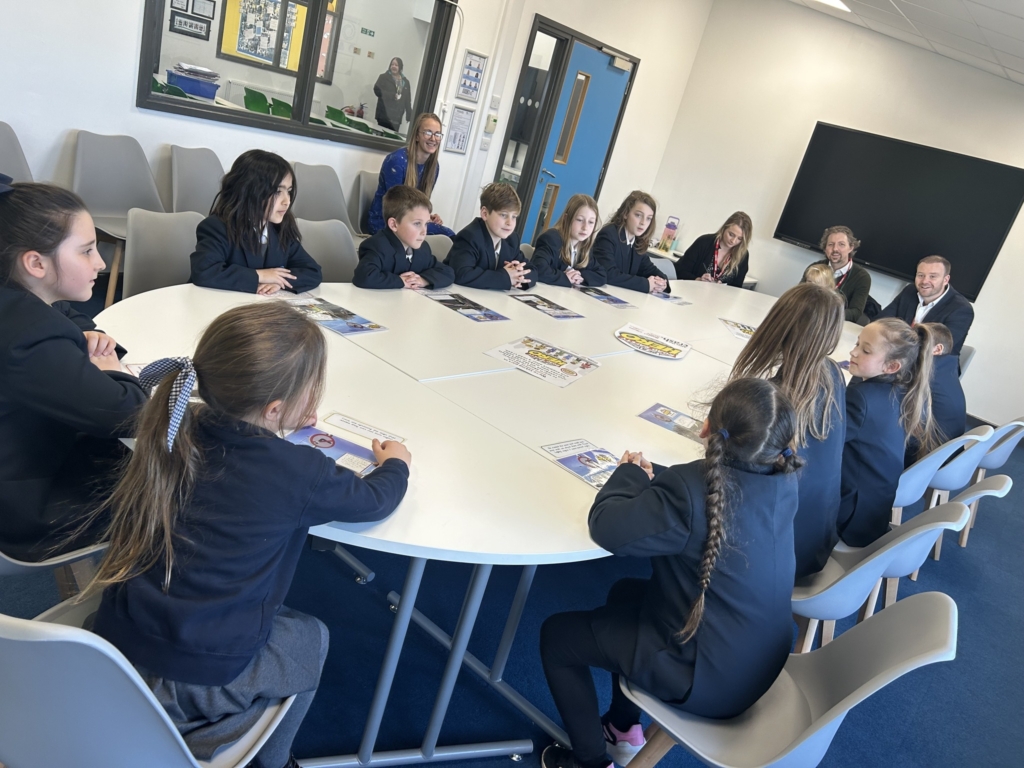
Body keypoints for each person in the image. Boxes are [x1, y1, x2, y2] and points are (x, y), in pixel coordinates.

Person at [89, 302, 412, 768]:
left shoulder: (178, 421)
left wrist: (279, 421)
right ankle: (268, 759)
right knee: (311, 637)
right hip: (200, 674)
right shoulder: (298, 471)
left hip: (114, 642)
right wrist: (396, 463)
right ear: (275, 407)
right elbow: (375, 501)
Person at [539, 378, 802, 768]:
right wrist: (655, 477)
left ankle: (589, 762)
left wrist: (628, 474)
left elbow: (609, 527)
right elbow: (705, 491)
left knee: (556, 637)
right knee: (626, 592)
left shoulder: (689, 491)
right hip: (757, 659)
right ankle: (623, 726)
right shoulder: (783, 477)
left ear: (706, 430)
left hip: (707, 680)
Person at [0, 178, 146, 561]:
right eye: (86, 251)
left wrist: (88, 333)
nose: (100, 262)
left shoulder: (19, 299)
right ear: (35, 263)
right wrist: (113, 369)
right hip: (27, 509)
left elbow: (66, 313)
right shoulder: (29, 339)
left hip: (23, 461)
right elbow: (131, 415)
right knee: (182, 476)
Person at [730, 283, 847, 578]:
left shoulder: (773, 402)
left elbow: (735, 481)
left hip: (773, 557)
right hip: (815, 538)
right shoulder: (832, 373)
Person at [837, 318, 939, 547]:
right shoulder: (905, 391)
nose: (852, 352)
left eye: (865, 350)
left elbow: (825, 443)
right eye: (856, 344)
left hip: (848, 517)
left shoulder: (862, 398)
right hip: (873, 511)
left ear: (891, 366)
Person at [190, 150, 322, 295]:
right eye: (278, 191)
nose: (287, 201)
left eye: (289, 191)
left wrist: (278, 282)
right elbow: (205, 271)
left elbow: (312, 271)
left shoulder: (281, 229)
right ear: (249, 190)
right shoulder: (216, 227)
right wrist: (262, 275)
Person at [367, 113, 454, 237]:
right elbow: (395, 209)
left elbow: (420, 204)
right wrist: (423, 220)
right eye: (428, 133)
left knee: (448, 236)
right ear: (417, 136)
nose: (433, 139)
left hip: (410, 221)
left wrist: (427, 217)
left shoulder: (434, 167)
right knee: (448, 235)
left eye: (437, 134)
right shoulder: (397, 161)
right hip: (386, 224)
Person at [354, 186, 454, 290]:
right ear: (394, 224)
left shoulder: (423, 249)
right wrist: (401, 281)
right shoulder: (377, 246)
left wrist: (423, 280)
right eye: (417, 223)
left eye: (426, 224)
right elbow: (364, 276)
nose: (424, 231)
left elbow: (447, 272)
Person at [877, 255, 974, 356]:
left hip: (932, 366)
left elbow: (935, 346)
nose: (924, 281)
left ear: (946, 279)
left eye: (932, 276)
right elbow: (881, 321)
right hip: (896, 354)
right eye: (920, 275)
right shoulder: (910, 291)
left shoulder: (961, 309)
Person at [446, 182, 535, 290]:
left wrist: (518, 274)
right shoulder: (470, 236)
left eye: (514, 217)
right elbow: (461, 274)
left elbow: (532, 270)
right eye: (503, 215)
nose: (510, 223)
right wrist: (506, 277)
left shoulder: (512, 239)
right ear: (485, 214)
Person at [906, 322, 966, 465]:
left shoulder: (927, 376)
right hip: (948, 453)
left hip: (929, 459)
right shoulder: (947, 370)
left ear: (937, 349)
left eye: (919, 344)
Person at [593, 191, 670, 294]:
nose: (643, 222)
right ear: (625, 213)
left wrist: (662, 282)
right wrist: (646, 284)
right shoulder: (609, 234)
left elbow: (649, 268)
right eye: (638, 215)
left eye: (648, 218)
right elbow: (608, 274)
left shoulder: (638, 241)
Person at [530, 194, 606, 287]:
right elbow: (538, 268)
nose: (585, 227)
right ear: (566, 219)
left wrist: (578, 276)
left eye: (591, 222)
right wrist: (565, 277)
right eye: (579, 220)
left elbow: (601, 275)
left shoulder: (584, 246)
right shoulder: (551, 239)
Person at [674, 212, 752, 289]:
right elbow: (680, 270)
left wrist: (725, 289)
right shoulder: (704, 242)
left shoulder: (743, 255)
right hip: (692, 291)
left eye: (740, 238)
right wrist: (697, 279)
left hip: (720, 298)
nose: (733, 241)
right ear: (724, 228)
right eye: (731, 234)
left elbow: (737, 288)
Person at [812, 225, 870, 323]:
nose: (835, 249)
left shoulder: (862, 277)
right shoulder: (815, 268)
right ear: (825, 248)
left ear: (851, 247)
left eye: (841, 244)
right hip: (810, 318)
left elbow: (855, 313)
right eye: (830, 244)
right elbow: (799, 296)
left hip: (835, 324)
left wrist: (827, 314)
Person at [372, 57, 413, 132]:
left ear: (400, 67)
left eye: (396, 65)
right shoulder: (383, 77)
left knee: (391, 139)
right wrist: (392, 95)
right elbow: (377, 90)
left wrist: (409, 115)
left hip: (396, 117)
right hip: (383, 115)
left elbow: (407, 99)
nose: (394, 66)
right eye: (392, 64)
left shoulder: (405, 82)